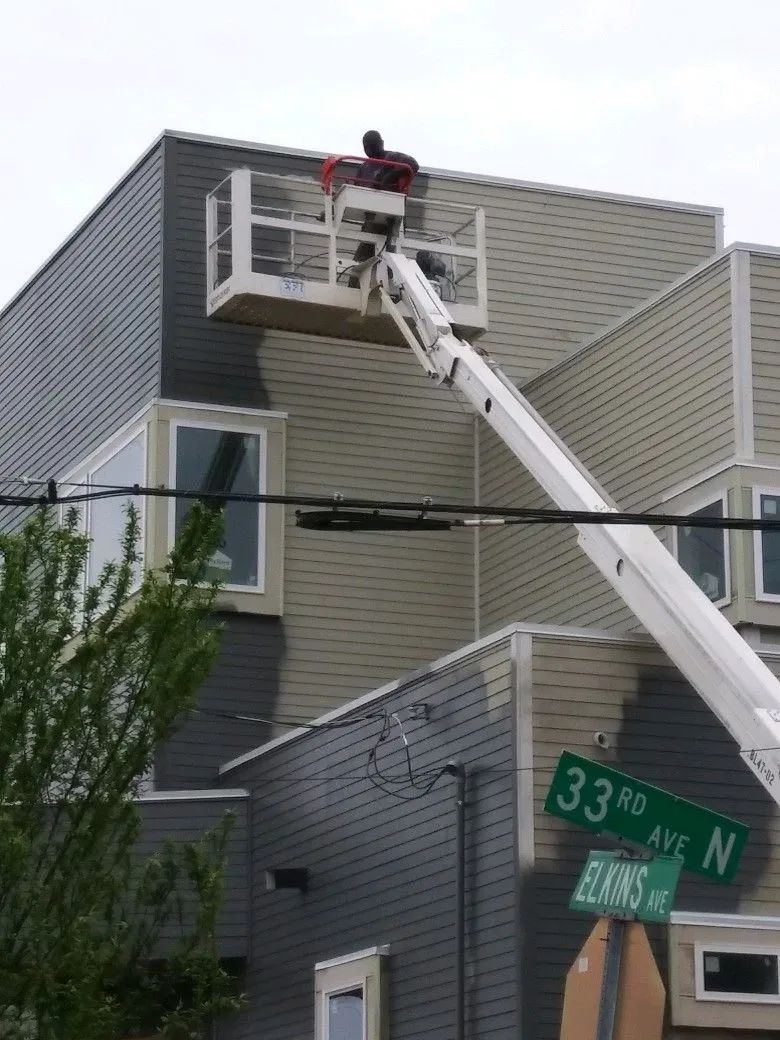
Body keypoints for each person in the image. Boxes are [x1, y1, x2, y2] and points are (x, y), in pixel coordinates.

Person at [349, 131, 419, 286]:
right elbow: (357, 190)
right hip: (371, 220)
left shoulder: (392, 158)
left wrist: (390, 176)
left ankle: (391, 282)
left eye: (373, 145)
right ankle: (354, 286)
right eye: (366, 147)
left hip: (390, 217)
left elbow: (413, 165)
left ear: (381, 143)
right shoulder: (364, 168)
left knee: (390, 252)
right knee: (362, 257)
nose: (369, 150)